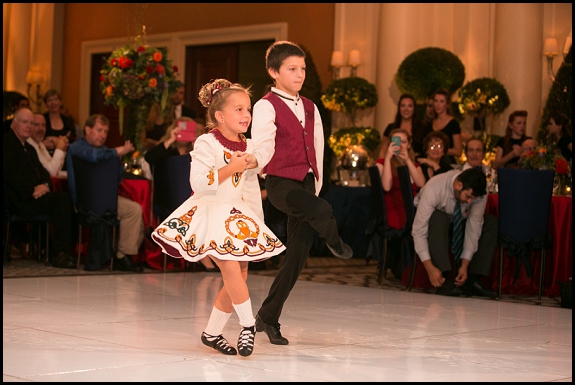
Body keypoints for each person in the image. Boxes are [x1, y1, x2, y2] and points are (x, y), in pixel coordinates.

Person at [151, 79, 286, 357]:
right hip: (212, 212)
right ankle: (248, 324)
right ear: (219, 116)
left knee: (241, 272)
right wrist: (231, 166)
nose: (246, 115)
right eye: (238, 109)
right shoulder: (206, 142)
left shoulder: (246, 145)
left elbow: (248, 183)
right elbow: (198, 182)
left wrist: (255, 218)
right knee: (230, 269)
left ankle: (212, 332)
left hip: (236, 214)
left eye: (248, 109)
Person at [249, 40, 353, 346]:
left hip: (307, 184)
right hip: (281, 184)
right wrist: (258, 165)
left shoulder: (310, 106)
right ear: (274, 71)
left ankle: (267, 317)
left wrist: (316, 184)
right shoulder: (266, 104)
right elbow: (265, 142)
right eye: (292, 69)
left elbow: (317, 147)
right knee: (323, 211)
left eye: (302, 69)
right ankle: (335, 242)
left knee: (296, 257)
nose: (300, 75)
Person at [66, 114, 144, 273]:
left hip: (106, 198)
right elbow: (93, 157)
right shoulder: (76, 147)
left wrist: (117, 160)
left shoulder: (106, 151)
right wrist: (116, 152)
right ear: (87, 130)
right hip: (85, 201)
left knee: (134, 209)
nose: (103, 135)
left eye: (105, 132)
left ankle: (123, 255)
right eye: (99, 130)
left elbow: (115, 180)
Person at [3, 108, 76, 268]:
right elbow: (10, 176)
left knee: (64, 198)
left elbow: (44, 173)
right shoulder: (7, 143)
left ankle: (60, 251)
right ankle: (60, 253)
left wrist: (45, 186)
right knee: (61, 200)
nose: (29, 126)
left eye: (31, 123)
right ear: (14, 124)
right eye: (25, 122)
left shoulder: (29, 147)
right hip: (18, 200)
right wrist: (32, 190)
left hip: (33, 197)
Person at [144, 116, 218, 273]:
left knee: (207, 210)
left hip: (193, 198)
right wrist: (170, 140)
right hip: (169, 200)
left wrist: (197, 146)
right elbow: (149, 158)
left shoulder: (197, 152)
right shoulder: (165, 150)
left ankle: (205, 254)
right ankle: (202, 257)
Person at [412, 168, 498, 298]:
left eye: (472, 199)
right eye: (468, 197)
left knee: (490, 222)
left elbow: (474, 227)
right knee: (439, 218)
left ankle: (473, 281)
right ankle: (444, 279)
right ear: (459, 185)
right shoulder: (434, 188)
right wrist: (429, 268)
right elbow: (418, 231)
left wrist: (465, 265)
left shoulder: (479, 194)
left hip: (459, 222)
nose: (469, 201)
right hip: (434, 224)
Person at [376, 128, 425, 278]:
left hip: (414, 207)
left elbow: (421, 183)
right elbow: (386, 186)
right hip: (394, 208)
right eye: (396, 142)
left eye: (403, 142)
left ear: (409, 144)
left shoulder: (415, 165)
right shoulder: (382, 163)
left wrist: (408, 161)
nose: (400, 145)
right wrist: (389, 158)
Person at [422, 88, 463, 165]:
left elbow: (458, 151)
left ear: (447, 104)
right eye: (436, 101)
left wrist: (439, 150)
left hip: (447, 163)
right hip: (430, 162)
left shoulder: (453, 123)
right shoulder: (429, 123)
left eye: (441, 101)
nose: (438, 104)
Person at [27, 113, 68, 177]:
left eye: (43, 125)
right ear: (29, 127)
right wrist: (59, 148)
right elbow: (51, 173)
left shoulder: (40, 144)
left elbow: (55, 169)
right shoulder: (29, 145)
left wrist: (63, 149)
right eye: (37, 125)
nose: (41, 128)